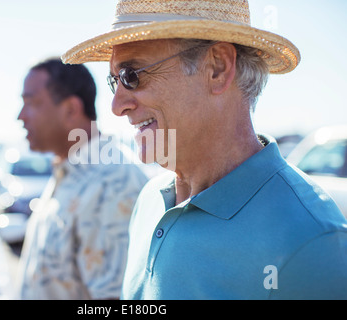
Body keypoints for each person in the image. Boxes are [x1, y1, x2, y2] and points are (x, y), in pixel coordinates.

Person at [62, 0, 347, 299]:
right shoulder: (149, 200)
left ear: (218, 68)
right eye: (114, 81)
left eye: (131, 75)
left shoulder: (313, 242)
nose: (117, 106)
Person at [16, 58, 148, 300]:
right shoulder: (71, 172)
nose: (20, 116)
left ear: (70, 110)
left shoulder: (111, 184)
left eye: (31, 103)